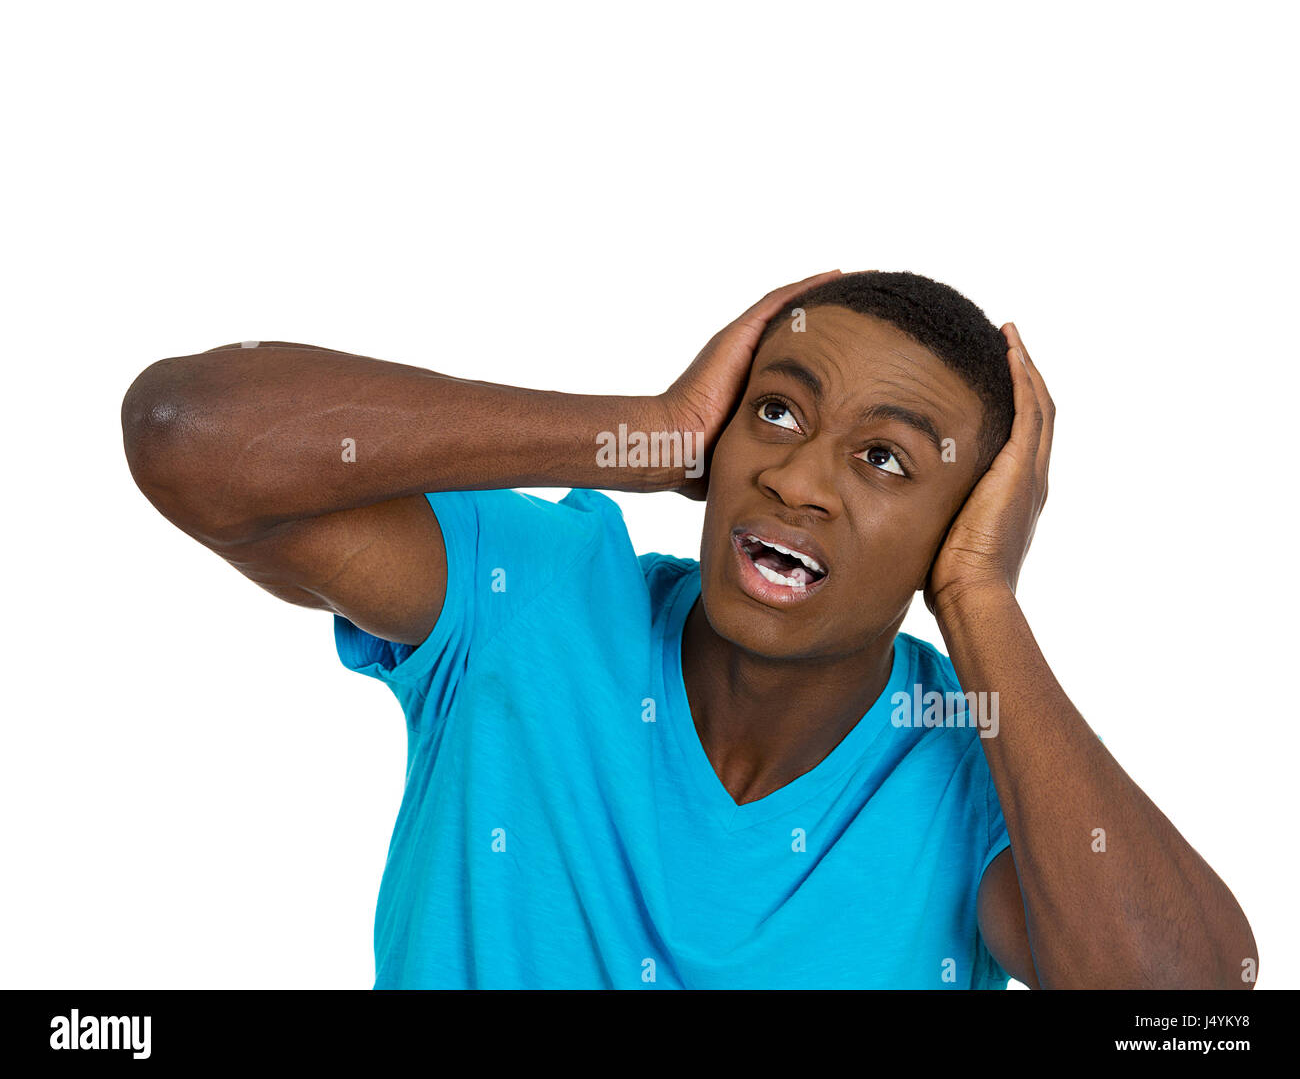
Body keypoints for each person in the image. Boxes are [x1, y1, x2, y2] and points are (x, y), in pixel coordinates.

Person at [121, 269, 1257, 989]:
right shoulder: (535, 593)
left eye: (883, 459)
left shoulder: (966, 767)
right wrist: (641, 431)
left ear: (960, 524)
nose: (797, 477)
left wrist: (982, 600)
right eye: (776, 411)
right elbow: (188, 434)